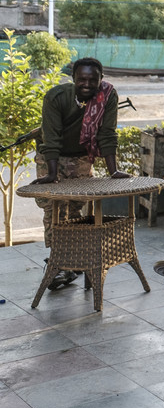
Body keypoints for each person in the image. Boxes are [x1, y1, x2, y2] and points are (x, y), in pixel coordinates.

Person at [31, 57, 128, 290]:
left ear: (100, 79)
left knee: (75, 208)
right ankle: (57, 262)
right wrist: (52, 173)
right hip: (51, 157)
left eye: (92, 79)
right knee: (52, 207)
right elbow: (51, 137)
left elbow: (107, 133)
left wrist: (113, 170)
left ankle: (72, 261)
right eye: (82, 79)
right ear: (74, 78)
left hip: (81, 156)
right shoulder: (56, 97)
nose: (87, 84)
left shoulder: (108, 96)